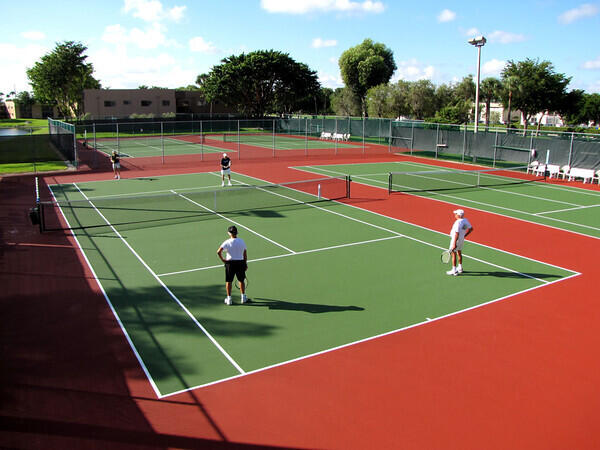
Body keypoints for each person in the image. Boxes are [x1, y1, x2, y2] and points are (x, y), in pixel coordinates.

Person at [217, 225, 248, 305]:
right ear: (236, 233)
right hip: (240, 263)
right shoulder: (242, 241)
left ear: (229, 233)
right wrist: (245, 264)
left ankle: (229, 299)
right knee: (241, 280)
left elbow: (218, 252)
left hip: (230, 264)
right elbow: (245, 254)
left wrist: (223, 259)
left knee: (228, 281)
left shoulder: (226, 242)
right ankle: (243, 297)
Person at [447, 209, 473, 276]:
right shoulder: (465, 220)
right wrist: (465, 235)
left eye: (455, 214)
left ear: (458, 215)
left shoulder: (457, 222)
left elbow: (456, 233)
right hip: (461, 239)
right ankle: (460, 268)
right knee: (459, 252)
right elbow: (471, 229)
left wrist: (454, 244)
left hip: (456, 239)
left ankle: (454, 270)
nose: (454, 215)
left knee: (453, 254)